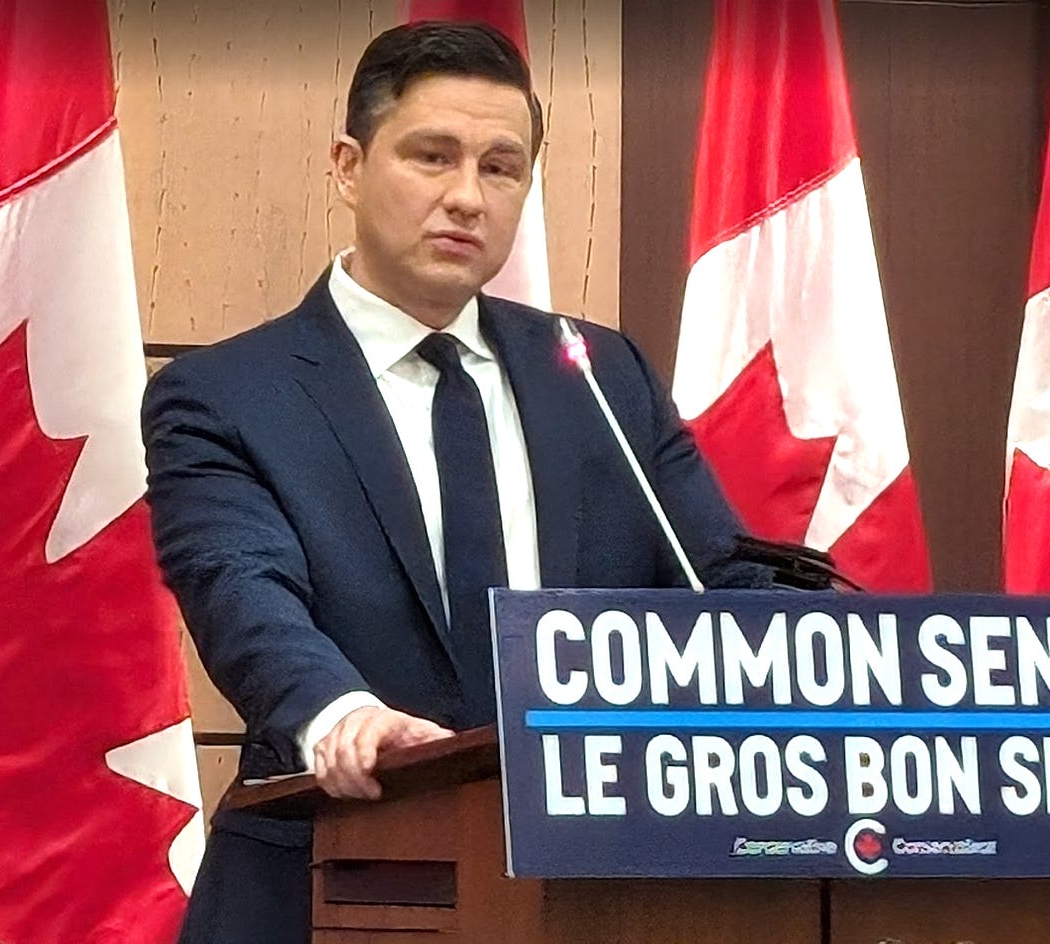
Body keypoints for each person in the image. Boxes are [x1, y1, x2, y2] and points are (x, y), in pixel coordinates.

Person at [142, 21, 766, 944]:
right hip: (327, 880)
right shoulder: (226, 394)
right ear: (349, 167)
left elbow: (722, 582)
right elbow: (241, 589)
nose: (467, 197)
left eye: (501, 168)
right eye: (432, 157)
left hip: (595, 896)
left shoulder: (599, 376)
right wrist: (342, 714)